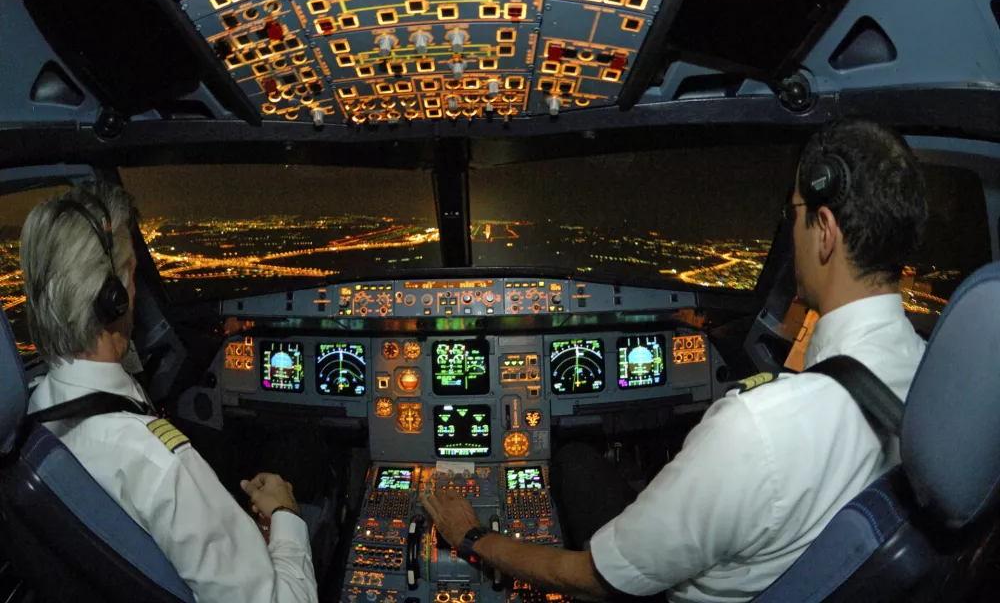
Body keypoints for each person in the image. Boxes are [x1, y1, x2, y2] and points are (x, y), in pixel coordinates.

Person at [423, 119, 929, 602]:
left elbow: (592, 578)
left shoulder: (758, 427)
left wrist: (469, 535)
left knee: (574, 460)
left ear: (825, 231)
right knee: (576, 461)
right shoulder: (935, 380)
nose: (790, 231)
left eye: (791, 214)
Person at [22, 183, 318, 603]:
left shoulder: (37, 409)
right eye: (132, 274)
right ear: (113, 299)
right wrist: (286, 515)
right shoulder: (160, 464)